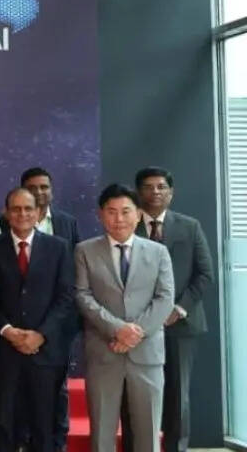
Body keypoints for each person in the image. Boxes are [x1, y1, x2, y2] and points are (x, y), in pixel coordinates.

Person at [76, 183, 174, 452]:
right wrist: (117, 329)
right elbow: (82, 295)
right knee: (101, 432)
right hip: (104, 351)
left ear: (139, 215)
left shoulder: (158, 252)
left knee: (148, 431)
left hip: (147, 354)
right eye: (111, 212)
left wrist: (134, 333)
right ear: (100, 215)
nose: (119, 218)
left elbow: (165, 298)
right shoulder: (84, 251)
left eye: (126, 211)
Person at [123, 168, 213, 452]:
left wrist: (180, 308)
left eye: (161, 187)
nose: (155, 192)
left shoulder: (190, 226)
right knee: (135, 396)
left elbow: (205, 274)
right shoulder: (127, 227)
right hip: (138, 327)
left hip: (180, 325)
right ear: (138, 192)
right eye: (148, 187)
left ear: (171, 193)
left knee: (177, 395)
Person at [0, 188, 75, 452]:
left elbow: (66, 297)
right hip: (4, 349)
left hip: (45, 352)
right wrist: (7, 330)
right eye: (16, 209)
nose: (22, 214)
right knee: (3, 423)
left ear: (38, 213)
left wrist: (41, 334)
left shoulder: (59, 247)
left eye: (28, 209)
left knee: (43, 425)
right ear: (6, 213)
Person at [17, 167, 81, 452]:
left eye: (44, 187)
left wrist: (51, 327)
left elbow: (75, 273)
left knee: (58, 390)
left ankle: (57, 442)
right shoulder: (6, 221)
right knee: (21, 391)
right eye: (32, 187)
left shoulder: (67, 223)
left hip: (57, 325)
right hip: (20, 327)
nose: (39, 192)